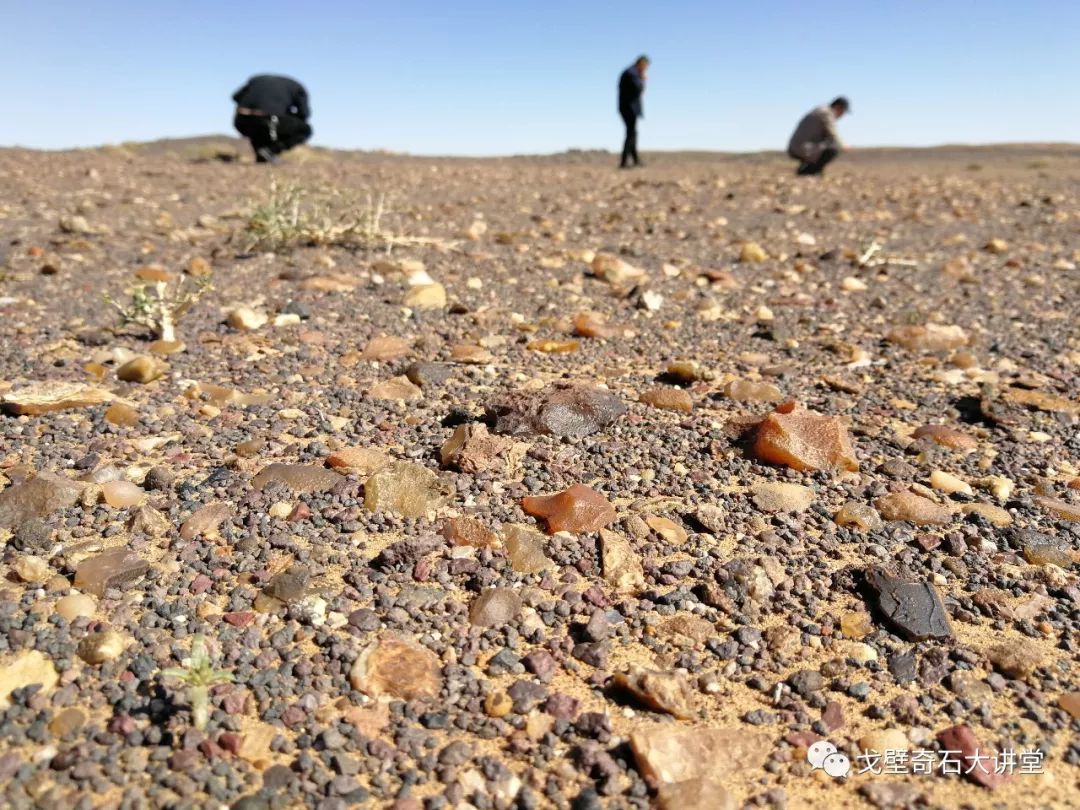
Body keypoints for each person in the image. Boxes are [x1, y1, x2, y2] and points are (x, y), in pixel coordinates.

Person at [232, 74, 312, 163]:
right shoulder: (298, 88)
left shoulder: (256, 79)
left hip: (241, 120)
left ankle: (263, 156)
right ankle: (271, 150)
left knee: (261, 128)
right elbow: (304, 114)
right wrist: (286, 112)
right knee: (305, 130)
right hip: (270, 120)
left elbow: (235, 97)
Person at [787, 96, 850, 176]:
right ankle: (808, 172)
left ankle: (809, 169)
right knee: (833, 147)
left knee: (828, 143)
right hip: (802, 148)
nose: (842, 115)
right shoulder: (826, 113)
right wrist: (842, 145)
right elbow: (832, 132)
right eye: (843, 112)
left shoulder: (821, 110)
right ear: (838, 107)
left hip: (799, 147)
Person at [618, 56, 649, 169]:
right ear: (641, 63)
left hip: (627, 107)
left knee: (632, 133)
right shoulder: (633, 73)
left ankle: (634, 160)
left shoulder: (630, 72)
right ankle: (624, 162)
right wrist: (642, 79)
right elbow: (638, 89)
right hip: (629, 108)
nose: (645, 69)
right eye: (645, 66)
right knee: (631, 134)